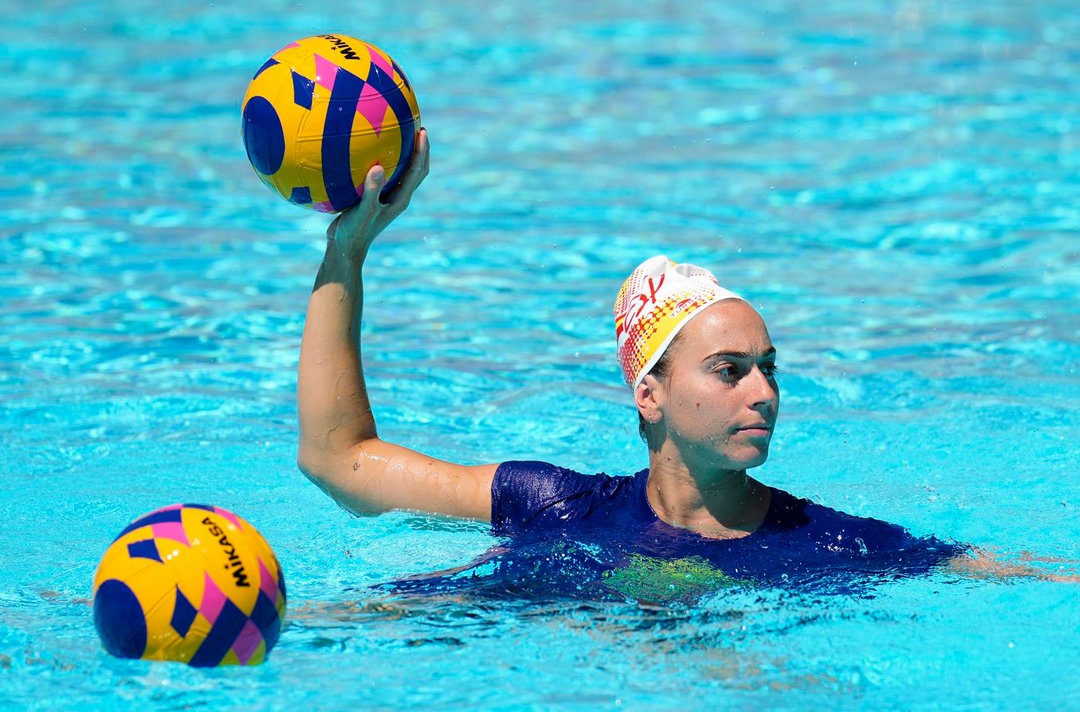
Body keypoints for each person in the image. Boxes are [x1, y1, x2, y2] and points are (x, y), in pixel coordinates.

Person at [296, 129, 1064, 599]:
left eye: (769, 367)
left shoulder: (829, 545)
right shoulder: (555, 506)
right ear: (650, 393)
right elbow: (340, 462)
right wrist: (349, 249)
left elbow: (1013, 575)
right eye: (729, 370)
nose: (764, 391)